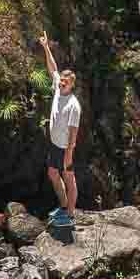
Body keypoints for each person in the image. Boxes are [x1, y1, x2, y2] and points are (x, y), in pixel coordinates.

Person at [39, 32, 81, 223]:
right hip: (54, 144)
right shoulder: (57, 87)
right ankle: (63, 205)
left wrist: (69, 154)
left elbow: (74, 131)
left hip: (65, 148)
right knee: (52, 173)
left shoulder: (74, 105)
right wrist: (46, 47)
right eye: (62, 80)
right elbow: (53, 69)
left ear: (72, 85)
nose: (62, 82)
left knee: (69, 178)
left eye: (66, 81)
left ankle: (71, 215)